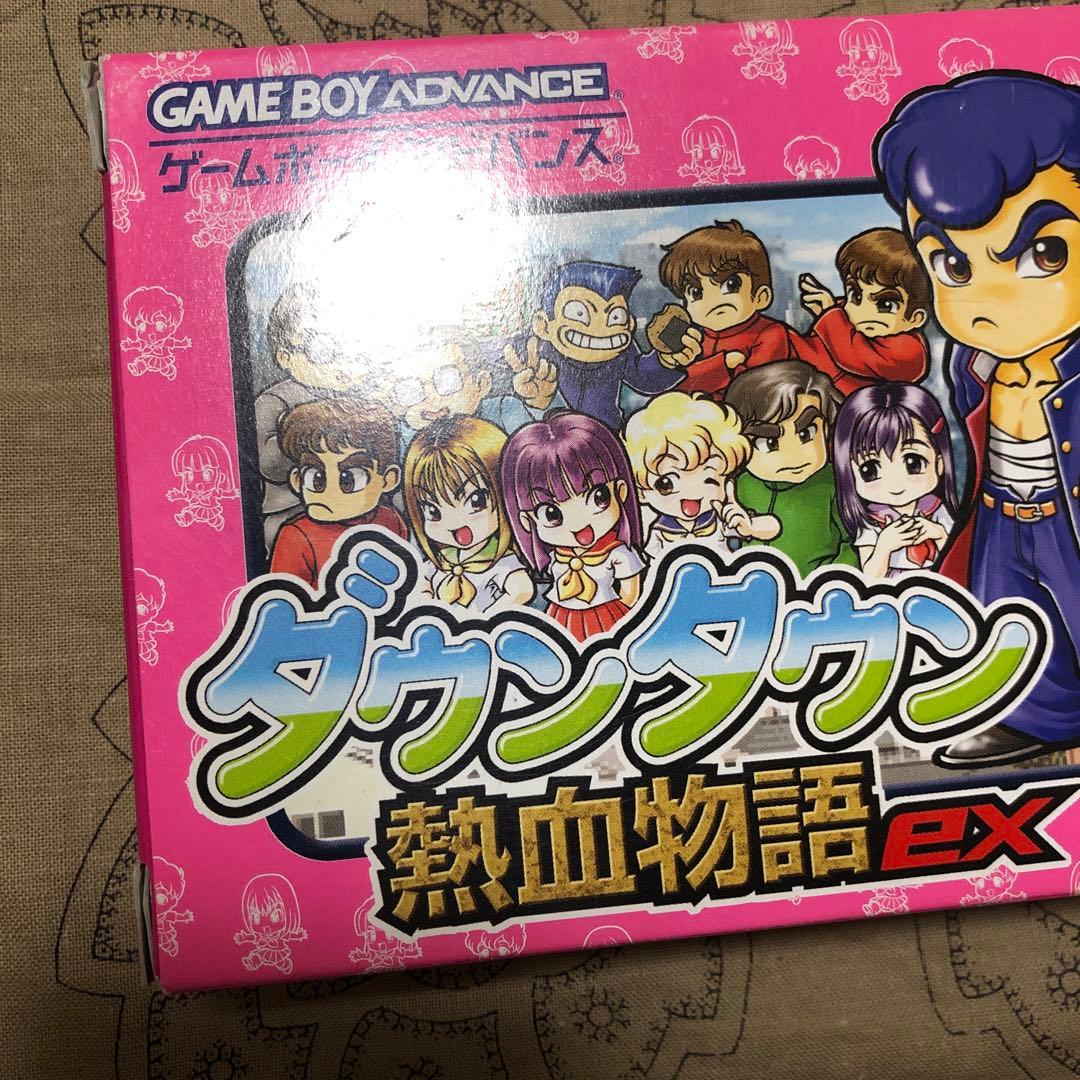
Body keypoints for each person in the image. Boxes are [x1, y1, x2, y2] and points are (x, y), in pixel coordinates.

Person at [876, 72, 1080, 763]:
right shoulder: (970, 360)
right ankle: (1038, 716)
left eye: (1043, 253)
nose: (987, 300)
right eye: (952, 266)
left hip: (1066, 514)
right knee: (1014, 617)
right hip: (1000, 511)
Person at [502, 412, 644, 641]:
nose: (579, 523)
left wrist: (615, 618)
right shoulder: (558, 557)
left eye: (599, 497)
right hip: (561, 618)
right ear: (528, 521)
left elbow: (630, 595)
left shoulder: (617, 554)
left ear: (620, 491)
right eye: (551, 514)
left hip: (607, 619)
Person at [725, 360, 858, 576]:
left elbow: (855, 540)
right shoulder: (741, 486)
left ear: (825, 429)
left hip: (820, 588)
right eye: (769, 443)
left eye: (807, 434)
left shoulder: (834, 483)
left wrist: (832, 577)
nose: (794, 455)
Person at [622, 391, 778, 561]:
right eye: (666, 484)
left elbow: (773, 527)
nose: (692, 492)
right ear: (642, 493)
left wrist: (750, 526)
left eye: (709, 480)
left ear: (726, 483)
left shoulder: (722, 520)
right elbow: (653, 565)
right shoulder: (659, 532)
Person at [269, 398, 406, 588]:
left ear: (388, 480)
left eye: (349, 480)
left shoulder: (390, 520)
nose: (329, 492)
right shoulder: (297, 537)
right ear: (297, 480)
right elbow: (283, 597)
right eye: (317, 477)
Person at [403, 415, 533, 613]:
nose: (454, 523)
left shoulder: (501, 565)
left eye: (476, 501)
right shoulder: (442, 561)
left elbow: (523, 591)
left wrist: (486, 619)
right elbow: (421, 584)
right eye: (433, 510)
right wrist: (428, 602)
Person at [833, 383, 958, 578]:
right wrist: (884, 546)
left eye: (913, 463)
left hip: (936, 586)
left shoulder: (936, 509)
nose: (895, 483)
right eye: (870, 470)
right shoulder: (872, 520)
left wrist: (939, 534)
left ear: (939, 463)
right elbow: (870, 578)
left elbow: (957, 562)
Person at [792, 227, 931, 395]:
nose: (865, 312)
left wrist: (830, 314)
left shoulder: (910, 351)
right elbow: (810, 351)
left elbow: (854, 354)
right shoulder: (844, 324)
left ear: (915, 318)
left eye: (885, 305)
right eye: (856, 296)